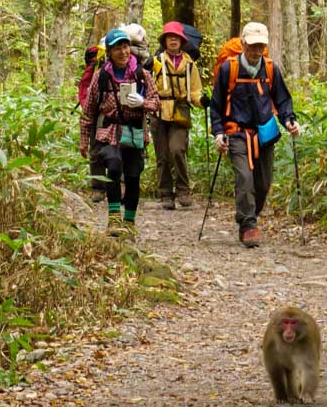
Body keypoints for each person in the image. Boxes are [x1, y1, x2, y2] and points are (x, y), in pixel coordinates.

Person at [209, 22, 300, 248]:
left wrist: (289, 120)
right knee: (244, 178)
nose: (256, 51)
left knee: (263, 184)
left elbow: (282, 99)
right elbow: (216, 104)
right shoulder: (228, 69)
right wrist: (218, 133)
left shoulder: (270, 69)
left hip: (265, 133)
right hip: (236, 133)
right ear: (243, 44)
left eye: (260, 46)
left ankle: (250, 215)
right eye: (252, 46)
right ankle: (248, 225)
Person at [80, 28, 161, 237]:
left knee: (134, 177)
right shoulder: (101, 76)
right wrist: (83, 140)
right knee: (114, 167)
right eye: (117, 48)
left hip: (134, 132)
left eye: (125, 47)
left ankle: (129, 223)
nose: (123, 52)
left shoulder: (141, 74)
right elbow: (89, 111)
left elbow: (156, 103)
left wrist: (143, 103)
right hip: (109, 131)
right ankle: (114, 219)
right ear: (109, 51)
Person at [151, 21, 202, 210]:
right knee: (162, 155)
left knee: (177, 150)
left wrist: (201, 101)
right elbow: (148, 84)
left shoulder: (189, 65)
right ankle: (166, 193)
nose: (173, 40)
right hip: (158, 110)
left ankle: (183, 190)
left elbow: (195, 90)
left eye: (176, 38)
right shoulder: (155, 62)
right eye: (169, 37)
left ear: (182, 41)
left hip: (180, 110)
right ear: (164, 41)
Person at [77, 45, 105, 202]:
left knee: (96, 152)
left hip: (103, 115)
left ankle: (99, 188)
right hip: (98, 114)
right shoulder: (97, 74)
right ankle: (101, 188)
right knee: (98, 152)